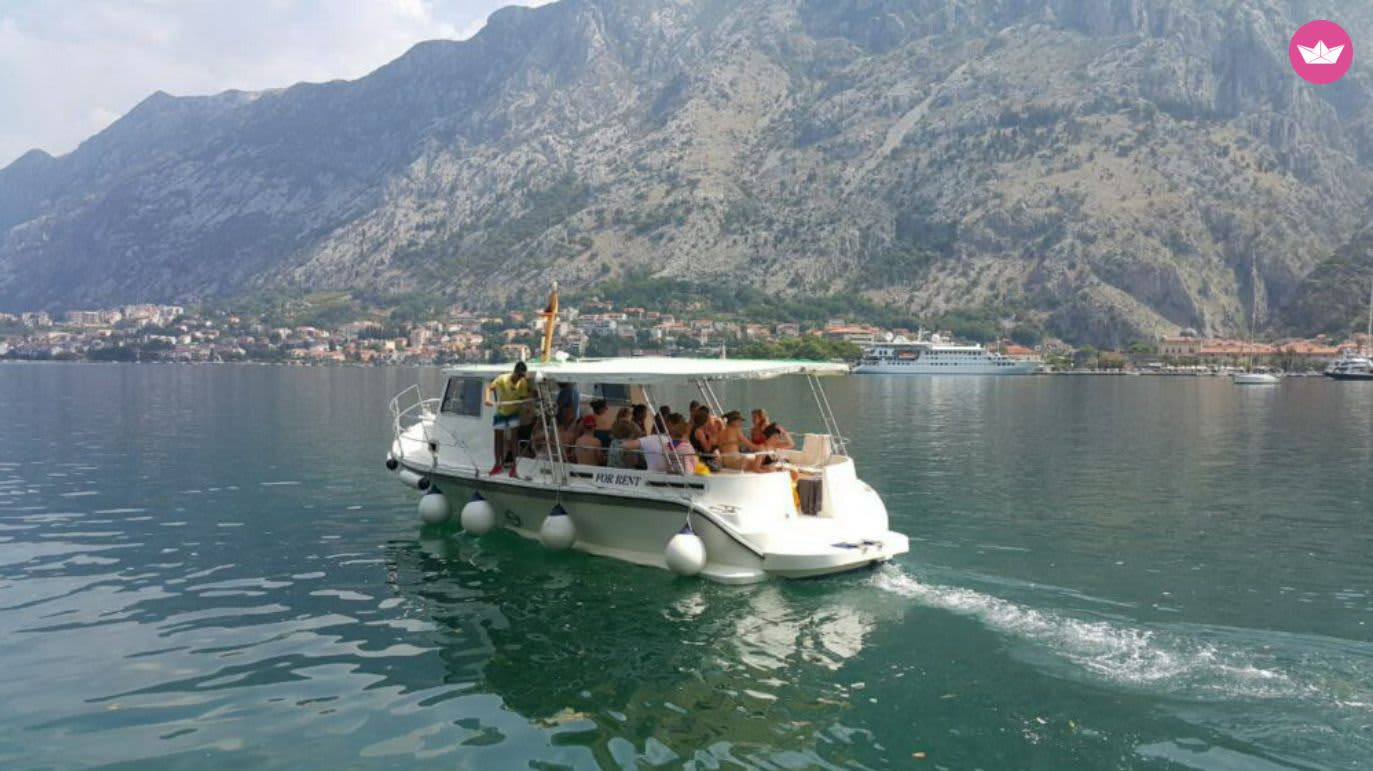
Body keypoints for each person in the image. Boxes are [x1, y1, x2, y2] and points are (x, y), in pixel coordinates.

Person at [484, 361, 529, 475]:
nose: (520, 378)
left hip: (514, 413)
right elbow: (489, 387)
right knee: (498, 438)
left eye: (522, 376)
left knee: (514, 438)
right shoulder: (503, 379)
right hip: (501, 412)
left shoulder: (522, 382)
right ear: (515, 372)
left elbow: (523, 397)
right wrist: (488, 399)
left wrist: (524, 404)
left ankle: (515, 465)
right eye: (519, 375)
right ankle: (497, 464)